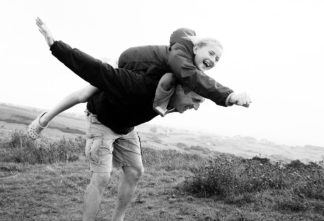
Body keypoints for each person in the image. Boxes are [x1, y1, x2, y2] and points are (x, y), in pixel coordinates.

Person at [32, 18, 208, 221]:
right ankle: (44, 119)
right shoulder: (140, 86)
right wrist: (56, 46)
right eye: (195, 101)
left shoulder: (178, 92)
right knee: (102, 175)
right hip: (102, 117)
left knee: (135, 171)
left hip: (125, 124)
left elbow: (205, 82)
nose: (195, 107)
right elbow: (97, 70)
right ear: (179, 89)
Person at [28, 18, 251, 137]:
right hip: (122, 64)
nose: (213, 60)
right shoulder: (180, 56)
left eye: (218, 59)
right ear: (196, 48)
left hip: (136, 75)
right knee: (85, 94)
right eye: (211, 53)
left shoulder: (189, 68)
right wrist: (228, 96)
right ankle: (44, 119)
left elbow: (185, 84)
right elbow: (195, 80)